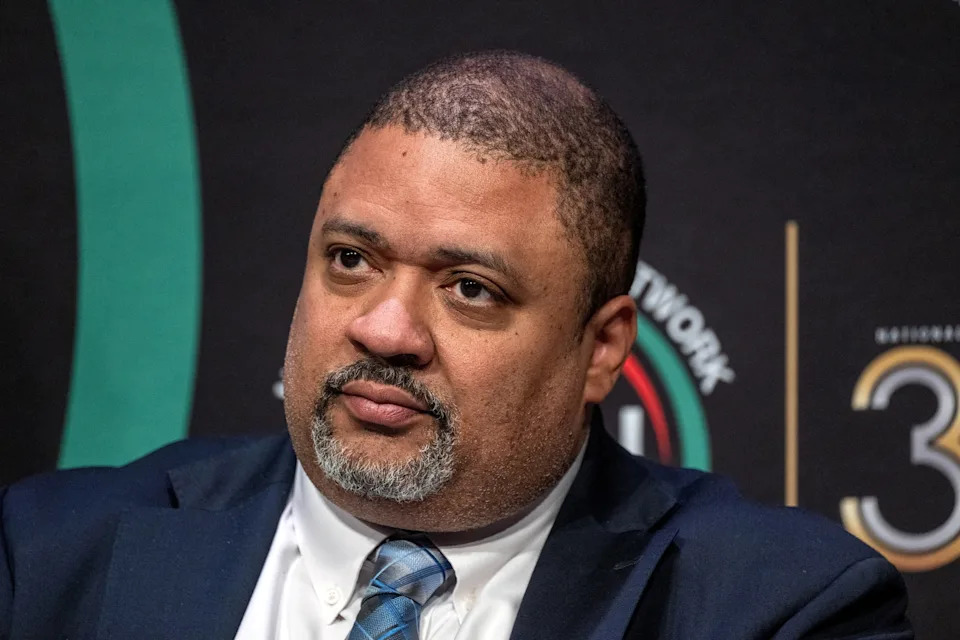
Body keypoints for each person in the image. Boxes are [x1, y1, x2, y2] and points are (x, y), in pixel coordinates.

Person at [0, 51, 910, 639]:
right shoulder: (44, 558)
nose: (384, 329)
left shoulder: (778, 609)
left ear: (602, 350)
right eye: (351, 261)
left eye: (470, 288)